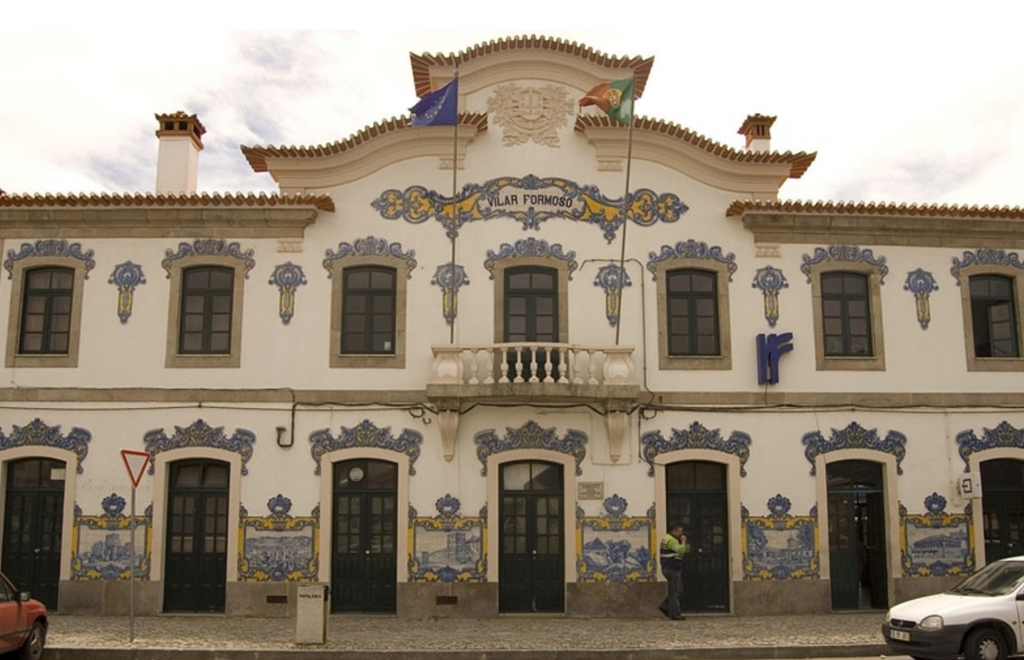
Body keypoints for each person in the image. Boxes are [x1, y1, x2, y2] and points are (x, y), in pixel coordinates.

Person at [658, 522, 688, 620]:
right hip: (672, 568)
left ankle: (665, 606)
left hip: (669, 567)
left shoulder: (668, 538)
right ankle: (675, 614)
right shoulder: (671, 540)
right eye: (680, 531)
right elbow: (681, 550)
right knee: (675, 591)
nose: (681, 534)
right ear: (674, 531)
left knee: (676, 589)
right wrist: (683, 542)